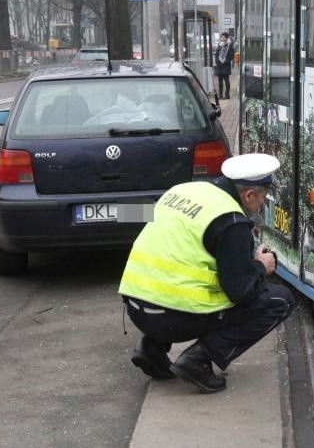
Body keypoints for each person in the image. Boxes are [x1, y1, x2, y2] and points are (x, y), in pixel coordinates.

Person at [119, 153, 296, 393]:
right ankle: (199, 359)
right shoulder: (231, 221)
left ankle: (151, 349)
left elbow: (181, 248)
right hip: (173, 319)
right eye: (263, 197)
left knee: (178, 283)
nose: (263, 204)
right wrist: (260, 267)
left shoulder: (182, 191)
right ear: (249, 195)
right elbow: (240, 292)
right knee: (281, 300)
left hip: (136, 308)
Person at [213, 32, 235, 99]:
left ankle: (227, 95)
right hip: (219, 66)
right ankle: (220, 95)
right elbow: (216, 54)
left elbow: (231, 56)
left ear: (227, 38)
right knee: (220, 82)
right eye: (222, 37)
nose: (222, 38)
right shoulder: (219, 45)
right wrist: (217, 62)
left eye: (224, 37)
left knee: (226, 81)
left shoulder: (229, 46)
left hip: (226, 66)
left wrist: (225, 61)